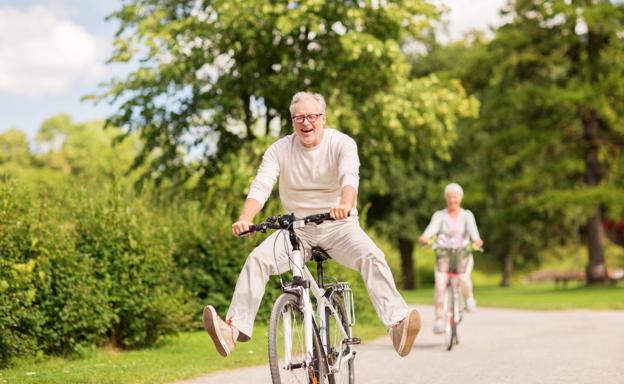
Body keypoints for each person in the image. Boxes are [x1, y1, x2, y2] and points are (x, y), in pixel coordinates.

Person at [202, 91, 421, 358]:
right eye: (299, 118)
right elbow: (262, 184)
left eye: (311, 117)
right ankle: (232, 331)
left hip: (339, 225)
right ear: (292, 121)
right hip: (296, 229)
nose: (306, 123)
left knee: (372, 256)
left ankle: (397, 324)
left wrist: (345, 203)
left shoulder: (341, 143)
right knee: (257, 259)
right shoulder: (280, 149)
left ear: (323, 118)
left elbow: (349, 176)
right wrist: (246, 218)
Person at [418, 183, 483, 334]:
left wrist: (477, 241)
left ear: (460, 199)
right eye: (449, 197)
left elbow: (474, 233)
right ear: (446, 199)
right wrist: (425, 237)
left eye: (455, 197)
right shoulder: (440, 216)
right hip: (444, 255)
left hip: (462, 255)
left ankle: (469, 299)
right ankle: (439, 320)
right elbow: (431, 229)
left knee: (464, 278)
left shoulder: (467, 215)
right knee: (440, 285)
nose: (452, 200)